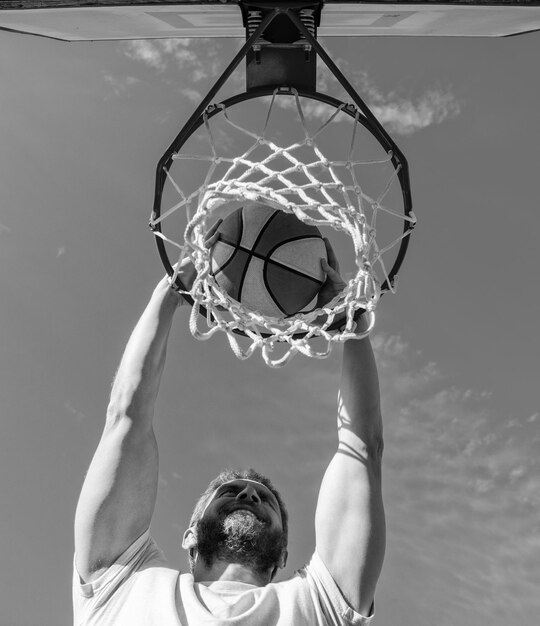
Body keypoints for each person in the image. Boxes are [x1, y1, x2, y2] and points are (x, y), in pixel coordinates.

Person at [73, 235, 385, 625]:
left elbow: (363, 449)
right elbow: (125, 418)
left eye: (264, 499)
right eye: (230, 491)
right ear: (189, 534)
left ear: (284, 555)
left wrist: (348, 320)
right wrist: (172, 290)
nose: (250, 493)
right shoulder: (121, 584)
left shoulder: (319, 604)